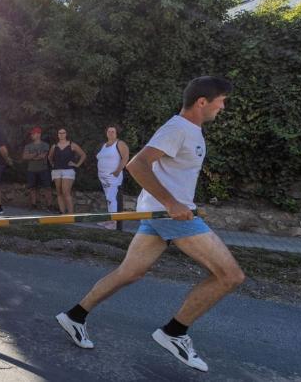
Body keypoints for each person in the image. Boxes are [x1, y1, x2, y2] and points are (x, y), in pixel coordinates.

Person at [56, 76, 243, 373]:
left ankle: (75, 315)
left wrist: (183, 201)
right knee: (230, 276)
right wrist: (172, 203)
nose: (224, 105)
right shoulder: (178, 128)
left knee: (129, 273)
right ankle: (175, 332)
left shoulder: (191, 130)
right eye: (221, 99)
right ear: (202, 102)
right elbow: (137, 164)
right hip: (166, 215)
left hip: (162, 214)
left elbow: (171, 174)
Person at [96, 125, 130, 229]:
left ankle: (114, 222)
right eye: (109, 131)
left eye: (113, 131)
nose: (110, 133)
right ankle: (109, 219)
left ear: (116, 133)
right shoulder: (104, 145)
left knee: (112, 197)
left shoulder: (119, 144)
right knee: (108, 198)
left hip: (113, 176)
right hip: (103, 176)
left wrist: (117, 171)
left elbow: (125, 157)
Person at [48, 129, 86, 214]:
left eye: (63, 133)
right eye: (59, 133)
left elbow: (83, 155)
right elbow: (50, 157)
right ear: (57, 135)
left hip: (68, 171)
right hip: (57, 171)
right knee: (59, 192)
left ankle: (71, 214)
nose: (61, 134)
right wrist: (52, 164)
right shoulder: (54, 146)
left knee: (66, 192)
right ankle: (62, 213)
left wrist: (77, 164)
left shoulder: (72, 145)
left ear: (66, 134)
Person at [23, 127, 52, 209]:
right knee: (32, 188)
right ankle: (34, 205)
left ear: (38, 134)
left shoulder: (45, 145)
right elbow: (25, 156)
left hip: (43, 169)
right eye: (31, 134)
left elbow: (43, 156)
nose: (31, 135)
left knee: (47, 187)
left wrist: (31, 156)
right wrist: (36, 154)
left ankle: (49, 205)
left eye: (33, 133)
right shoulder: (28, 146)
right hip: (31, 170)